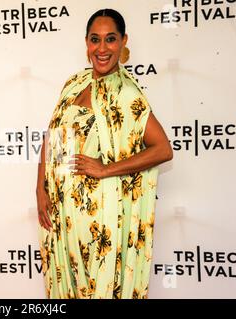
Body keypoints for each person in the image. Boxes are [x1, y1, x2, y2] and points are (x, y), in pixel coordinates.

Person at [36, 8, 173, 299]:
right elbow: (52, 137)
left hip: (99, 218)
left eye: (110, 39)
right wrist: (40, 188)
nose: (102, 48)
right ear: (86, 43)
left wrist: (105, 169)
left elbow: (163, 149)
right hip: (62, 214)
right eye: (95, 39)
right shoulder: (74, 84)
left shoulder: (127, 94)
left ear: (123, 42)